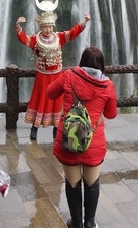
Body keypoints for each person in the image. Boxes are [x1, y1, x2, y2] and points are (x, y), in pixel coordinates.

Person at [47, 46, 117, 228]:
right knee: (92, 183)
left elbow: (50, 93)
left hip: (68, 140)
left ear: (82, 61)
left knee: (72, 183)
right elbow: (111, 114)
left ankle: (76, 223)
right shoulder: (107, 85)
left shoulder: (68, 76)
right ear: (101, 65)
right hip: (94, 141)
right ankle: (90, 223)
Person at [15, 0, 90, 139]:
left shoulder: (59, 37)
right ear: (41, 26)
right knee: (40, 99)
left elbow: (72, 33)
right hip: (42, 76)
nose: (48, 30)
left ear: (53, 26)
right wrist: (18, 26)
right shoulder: (36, 39)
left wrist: (84, 22)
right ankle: (35, 127)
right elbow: (24, 39)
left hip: (57, 75)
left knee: (58, 101)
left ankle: (56, 128)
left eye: (50, 26)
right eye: (45, 27)